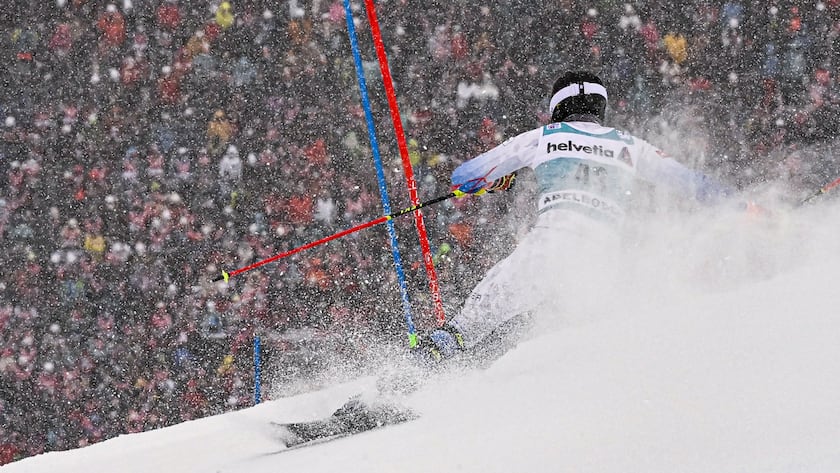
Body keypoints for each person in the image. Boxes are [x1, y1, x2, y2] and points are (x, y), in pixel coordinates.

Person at [416, 70, 731, 363]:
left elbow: (463, 176)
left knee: (475, 319)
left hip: (551, 244)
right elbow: (693, 183)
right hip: (602, 259)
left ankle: (421, 368)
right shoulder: (631, 145)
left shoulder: (543, 137)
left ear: (558, 107)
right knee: (590, 343)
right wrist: (741, 205)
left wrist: (494, 181)